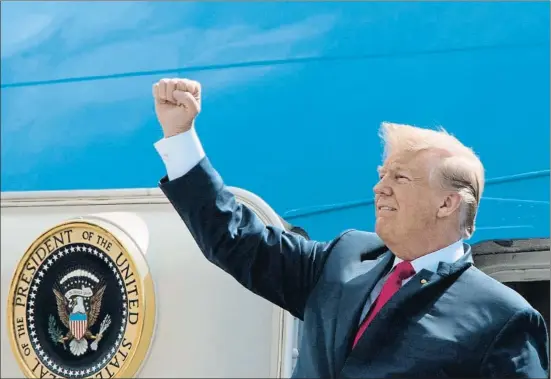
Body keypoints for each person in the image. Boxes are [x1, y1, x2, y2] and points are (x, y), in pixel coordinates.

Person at [151, 78, 549, 378]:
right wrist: (180, 138)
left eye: (400, 178)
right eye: (382, 173)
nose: (380, 187)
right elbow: (236, 239)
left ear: (447, 203)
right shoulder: (344, 257)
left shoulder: (503, 317)